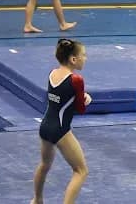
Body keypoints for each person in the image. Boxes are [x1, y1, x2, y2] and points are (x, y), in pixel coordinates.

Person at [32, 38, 91, 204]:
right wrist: (86, 99)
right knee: (81, 171)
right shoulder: (76, 80)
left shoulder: (52, 74)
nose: (85, 58)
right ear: (74, 59)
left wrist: (79, 97)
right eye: (83, 55)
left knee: (44, 165)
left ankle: (37, 200)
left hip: (45, 127)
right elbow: (80, 108)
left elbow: (60, 98)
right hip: (60, 130)